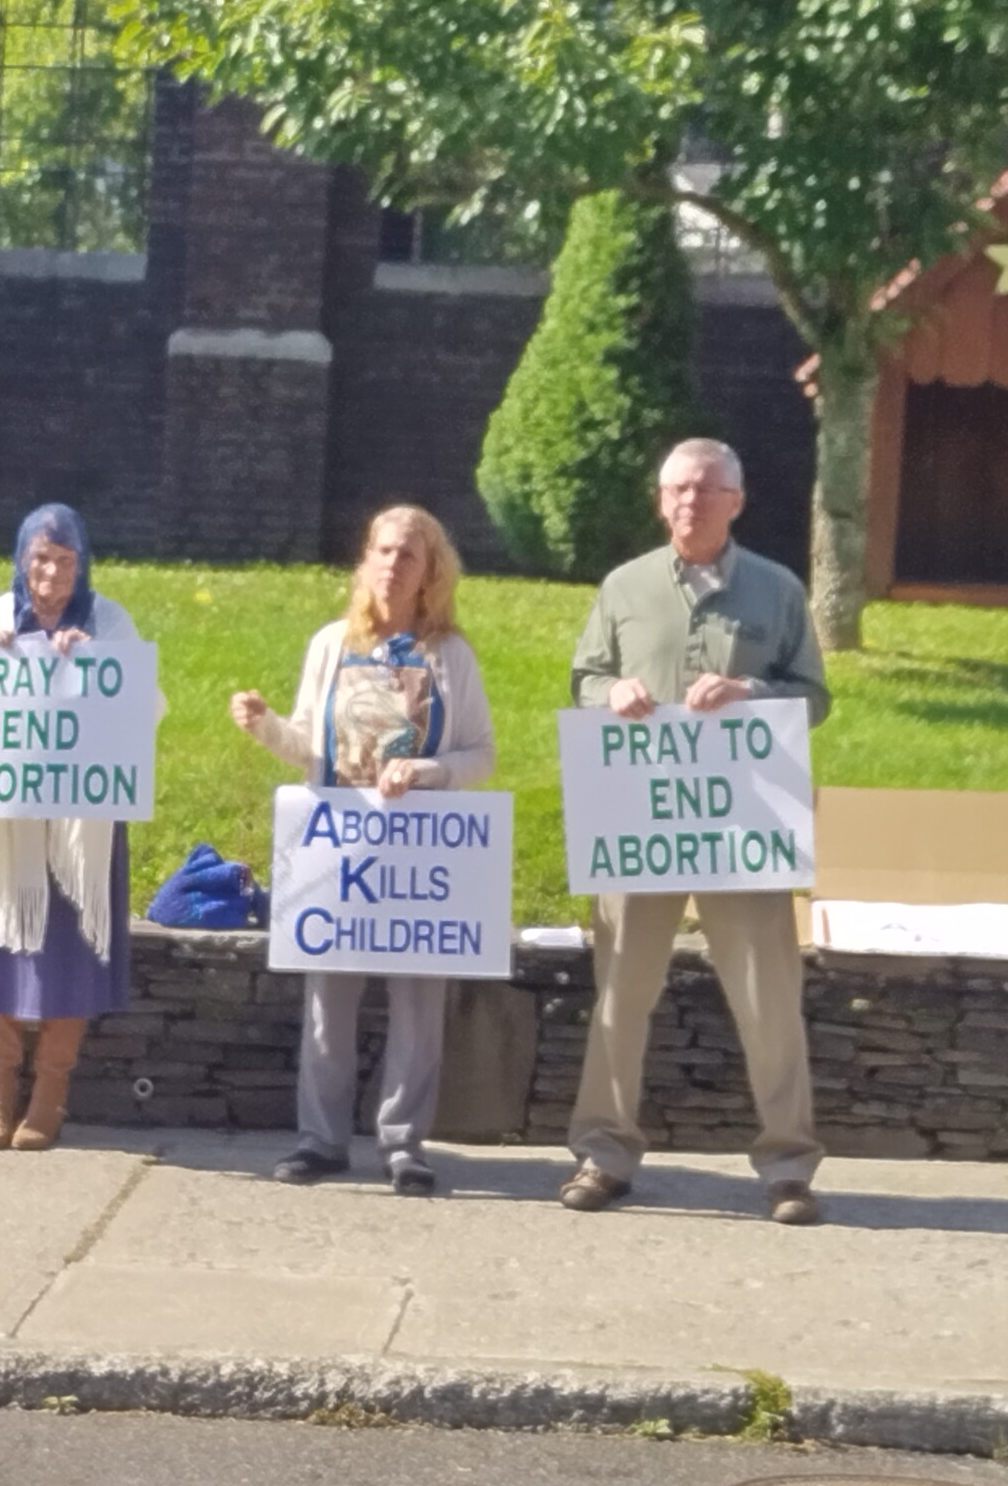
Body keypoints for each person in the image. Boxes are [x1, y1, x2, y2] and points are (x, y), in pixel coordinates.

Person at [558, 437, 833, 1225]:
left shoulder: (777, 591)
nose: (689, 502)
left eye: (706, 490)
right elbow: (584, 678)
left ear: (737, 502)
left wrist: (749, 689)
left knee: (767, 997)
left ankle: (788, 1166)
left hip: (742, 821)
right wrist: (611, 694)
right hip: (640, 818)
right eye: (676, 489)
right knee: (621, 993)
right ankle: (603, 1153)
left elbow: (813, 696)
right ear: (660, 499)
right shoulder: (625, 586)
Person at [230, 504, 495, 1195]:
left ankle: (404, 1143)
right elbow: (309, 748)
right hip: (338, 845)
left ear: (430, 572)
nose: (390, 566)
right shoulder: (330, 645)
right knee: (329, 995)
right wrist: (264, 727)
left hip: (421, 848)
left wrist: (428, 771)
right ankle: (320, 1138)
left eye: (407, 555)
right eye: (381, 551)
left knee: (417, 1002)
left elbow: (481, 755)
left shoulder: (450, 655)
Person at [0, 501, 139, 1151]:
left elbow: (144, 707)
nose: (51, 572)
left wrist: (93, 668)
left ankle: (50, 1093)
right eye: (40, 558)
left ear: (82, 564)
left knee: (70, 954)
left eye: (64, 559)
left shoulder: (108, 622)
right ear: (21, 560)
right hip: (6, 825)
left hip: (78, 826)